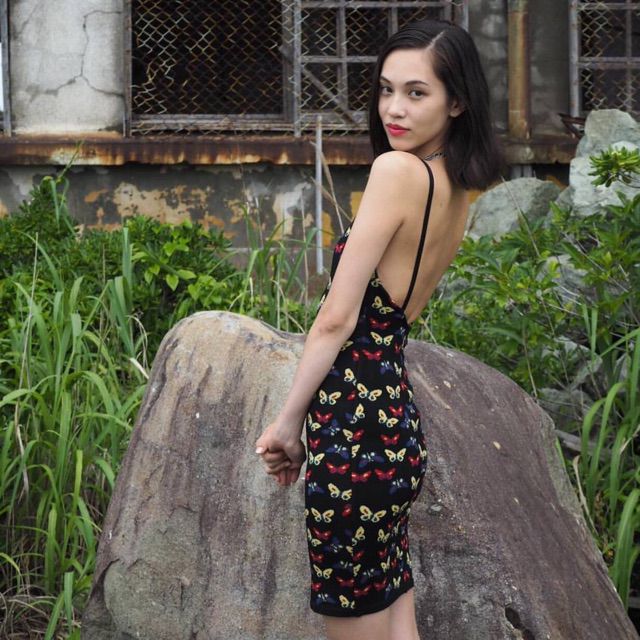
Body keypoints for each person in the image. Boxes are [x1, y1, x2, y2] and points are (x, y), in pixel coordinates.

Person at [254, 17, 504, 640]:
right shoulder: (455, 188)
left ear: (457, 101)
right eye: (387, 90)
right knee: (393, 613)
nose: (394, 108)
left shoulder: (397, 172)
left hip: (353, 429)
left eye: (417, 93)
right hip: (393, 425)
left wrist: (287, 423)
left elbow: (336, 319)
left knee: (355, 617)